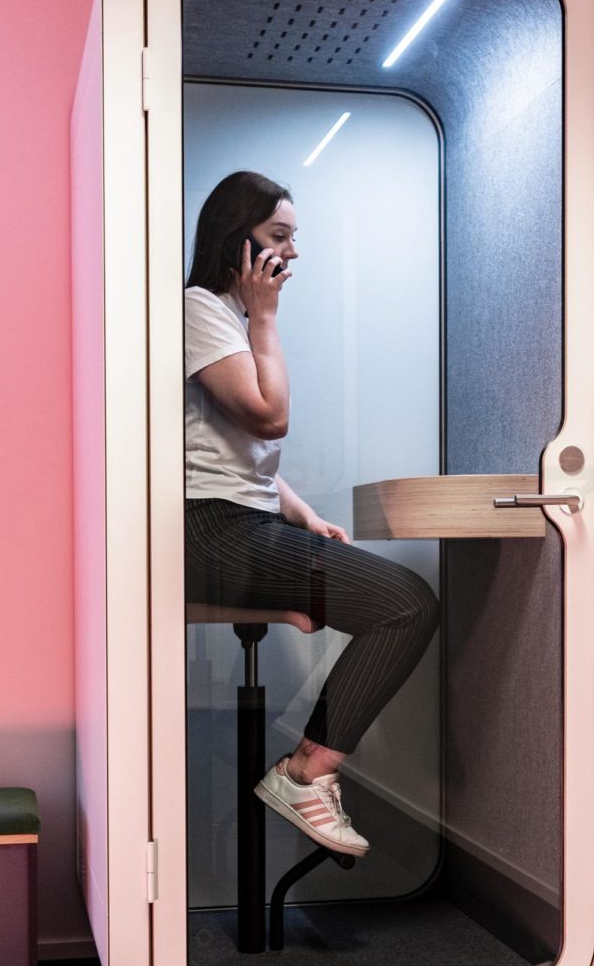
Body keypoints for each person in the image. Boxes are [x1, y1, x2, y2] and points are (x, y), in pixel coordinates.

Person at [184, 170, 440, 857]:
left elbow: (228, 449)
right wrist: (265, 320)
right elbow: (269, 419)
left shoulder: (224, 317)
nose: (291, 253)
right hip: (211, 532)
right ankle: (304, 771)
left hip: (238, 522)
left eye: (293, 239)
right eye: (277, 238)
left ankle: (306, 766)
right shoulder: (201, 309)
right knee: (405, 605)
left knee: (400, 603)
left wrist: (296, 513)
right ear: (238, 243)